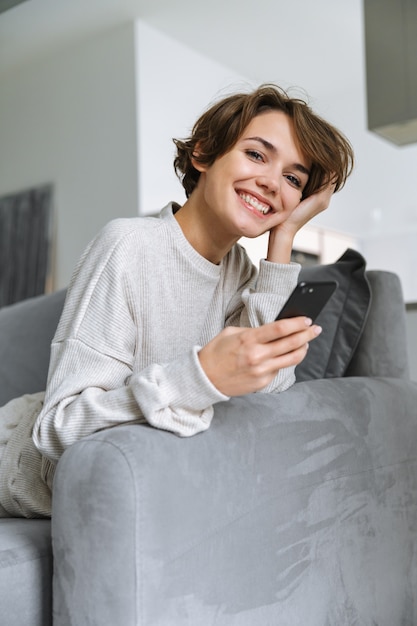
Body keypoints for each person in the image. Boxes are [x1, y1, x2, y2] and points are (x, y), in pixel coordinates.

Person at [0, 84, 354, 518]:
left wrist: (285, 236)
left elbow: (266, 386)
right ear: (202, 154)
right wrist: (200, 375)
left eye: (293, 179)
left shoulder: (241, 271)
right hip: (21, 470)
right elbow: (59, 429)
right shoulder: (128, 245)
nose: (271, 183)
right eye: (257, 155)